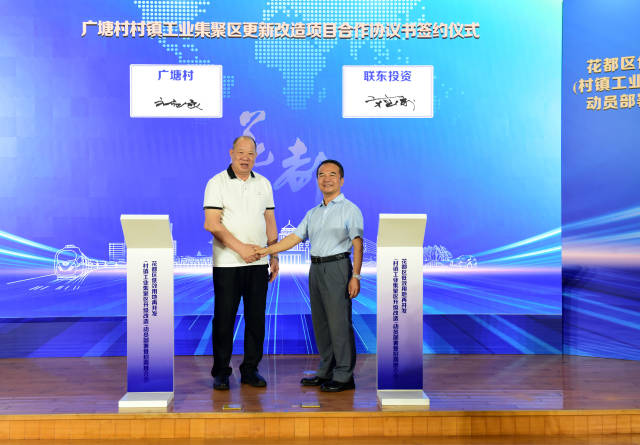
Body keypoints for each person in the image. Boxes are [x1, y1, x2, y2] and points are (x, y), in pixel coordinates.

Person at [257, 160, 363, 392]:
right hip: (315, 269)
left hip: (337, 267)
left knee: (339, 323)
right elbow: (294, 238)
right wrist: (267, 251)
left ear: (341, 180)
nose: (327, 179)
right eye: (322, 175)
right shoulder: (313, 213)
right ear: (317, 180)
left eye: (332, 174)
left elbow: (357, 243)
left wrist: (355, 275)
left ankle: (344, 375)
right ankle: (326, 371)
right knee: (321, 323)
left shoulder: (350, 209)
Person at [203, 135, 279, 390]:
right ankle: (221, 371)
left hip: (258, 262)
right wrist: (241, 249)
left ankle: (250, 369)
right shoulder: (217, 182)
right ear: (231, 153)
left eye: (251, 154)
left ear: (256, 156)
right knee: (224, 319)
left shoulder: (264, 184)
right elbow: (212, 224)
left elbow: (270, 220)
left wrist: (273, 254)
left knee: (256, 319)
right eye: (241, 152)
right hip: (227, 263)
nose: (246, 158)